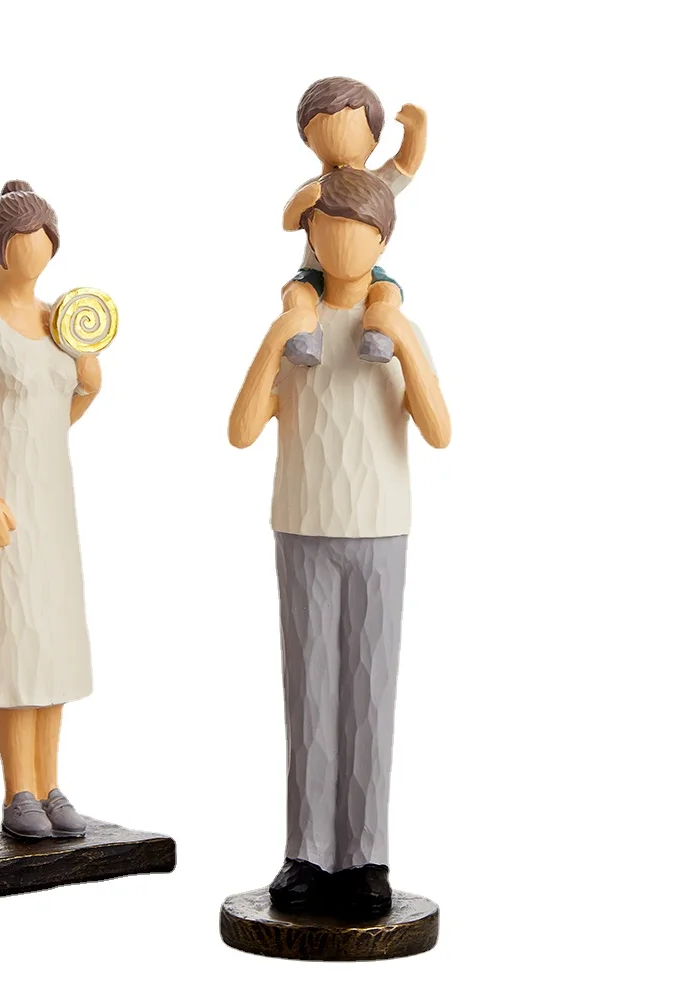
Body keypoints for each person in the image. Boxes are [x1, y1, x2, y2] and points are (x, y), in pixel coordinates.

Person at [228, 167, 450, 915]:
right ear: (310, 239)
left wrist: (406, 344)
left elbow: (440, 431)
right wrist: (276, 339)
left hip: (380, 527)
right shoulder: (298, 324)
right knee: (310, 693)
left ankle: (366, 856)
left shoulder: (394, 325)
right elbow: (241, 431)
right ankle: (308, 851)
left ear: (384, 241)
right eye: (328, 230)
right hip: (302, 522)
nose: (344, 244)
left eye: (360, 232)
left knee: (368, 694)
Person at [0, 181, 101, 841]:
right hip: (6, 496)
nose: (38, 253)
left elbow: (59, 413)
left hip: (53, 497)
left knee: (55, 640)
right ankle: (18, 790)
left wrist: (88, 380)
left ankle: (50, 783)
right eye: (27, 241)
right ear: (1, 248)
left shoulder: (60, 319)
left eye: (46, 241)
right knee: (16, 637)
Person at [279, 77, 427, 360]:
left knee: (387, 291)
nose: (340, 138)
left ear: (374, 138)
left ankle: (379, 334)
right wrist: (301, 202)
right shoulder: (314, 188)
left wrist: (416, 131)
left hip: (364, 275)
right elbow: (288, 223)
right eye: (325, 128)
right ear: (307, 138)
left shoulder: (376, 187)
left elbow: (405, 166)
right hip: (316, 272)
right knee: (296, 294)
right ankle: (305, 336)